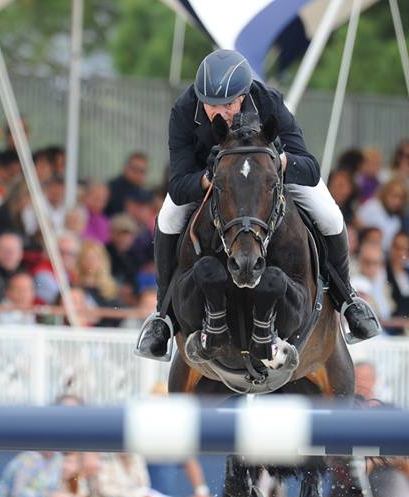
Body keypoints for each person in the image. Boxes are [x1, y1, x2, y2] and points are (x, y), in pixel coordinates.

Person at [135, 49, 380, 360]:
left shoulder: (268, 101)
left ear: (242, 96)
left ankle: (348, 300)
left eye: (227, 104)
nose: (218, 112)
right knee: (168, 218)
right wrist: (209, 178)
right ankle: (164, 317)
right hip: (213, 183)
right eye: (211, 104)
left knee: (330, 215)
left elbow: (309, 166)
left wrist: (278, 163)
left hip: (268, 178)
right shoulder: (184, 110)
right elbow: (178, 182)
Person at [105, 152, 149, 217]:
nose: (138, 174)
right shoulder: (112, 188)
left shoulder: (143, 191)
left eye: (142, 171)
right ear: (126, 168)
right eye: (135, 169)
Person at [0, 232, 24, 301]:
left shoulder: (27, 277)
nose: (9, 254)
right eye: (4, 250)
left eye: (13, 250)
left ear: (21, 253)